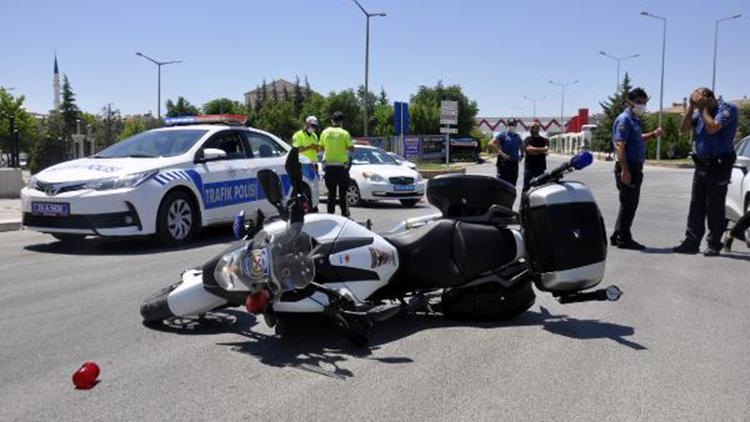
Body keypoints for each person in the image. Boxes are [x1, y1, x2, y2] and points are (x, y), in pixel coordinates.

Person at [673, 88, 738, 256]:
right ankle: (691, 242)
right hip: (701, 166)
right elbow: (684, 129)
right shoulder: (700, 112)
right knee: (696, 205)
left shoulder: (727, 109)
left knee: (715, 206)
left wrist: (702, 109)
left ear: (710, 98)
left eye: (700, 100)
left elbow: (713, 128)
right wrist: (690, 108)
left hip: (719, 166)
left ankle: (714, 244)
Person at [610, 87, 663, 250]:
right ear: (629, 102)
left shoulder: (634, 120)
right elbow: (620, 146)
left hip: (634, 166)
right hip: (629, 167)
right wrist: (625, 170)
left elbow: (637, 139)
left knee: (627, 203)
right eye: (639, 102)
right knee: (629, 204)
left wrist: (653, 134)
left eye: (644, 103)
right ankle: (624, 239)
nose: (642, 106)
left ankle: (617, 235)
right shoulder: (625, 119)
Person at [319, 111, 354, 217]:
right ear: (342, 122)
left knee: (331, 194)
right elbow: (351, 149)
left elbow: (320, 148)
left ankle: (330, 216)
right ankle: (345, 215)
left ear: (332, 120)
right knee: (343, 194)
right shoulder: (344, 133)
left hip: (329, 167)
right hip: (341, 167)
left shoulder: (325, 132)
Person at [488, 119, 523, 187]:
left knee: (512, 185)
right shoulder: (502, 135)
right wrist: (501, 153)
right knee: (502, 185)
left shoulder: (517, 136)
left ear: (516, 126)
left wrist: (522, 155)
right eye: (510, 124)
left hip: (514, 164)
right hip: (504, 163)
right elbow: (490, 144)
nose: (511, 126)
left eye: (513, 124)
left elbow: (522, 145)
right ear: (506, 125)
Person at [522, 122, 549, 191]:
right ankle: (524, 201)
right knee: (526, 188)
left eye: (533, 127)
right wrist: (541, 150)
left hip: (540, 168)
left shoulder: (544, 140)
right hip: (529, 168)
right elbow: (528, 150)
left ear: (538, 129)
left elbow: (546, 150)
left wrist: (534, 150)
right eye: (530, 127)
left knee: (541, 188)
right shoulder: (527, 139)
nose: (531, 129)